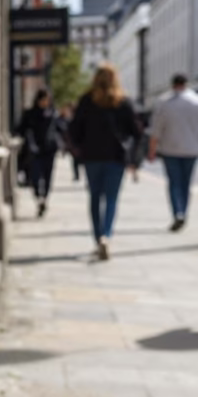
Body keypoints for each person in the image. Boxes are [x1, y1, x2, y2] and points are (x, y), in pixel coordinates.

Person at [70, 64, 143, 260]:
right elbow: (136, 132)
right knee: (111, 198)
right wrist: (134, 158)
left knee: (94, 197)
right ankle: (106, 235)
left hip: (92, 156)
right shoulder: (123, 101)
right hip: (116, 157)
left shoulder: (87, 100)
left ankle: (97, 237)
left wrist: (78, 149)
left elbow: (74, 129)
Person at [148, 73, 198, 231]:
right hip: (191, 149)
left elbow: (155, 131)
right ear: (187, 83)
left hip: (169, 149)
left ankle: (177, 212)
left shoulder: (163, 102)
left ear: (173, 85)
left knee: (174, 183)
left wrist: (152, 151)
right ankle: (183, 212)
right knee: (186, 183)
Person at [16, 89, 60, 217]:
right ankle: (38, 197)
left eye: (48, 100)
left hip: (49, 150)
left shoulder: (52, 114)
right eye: (43, 99)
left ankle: (44, 198)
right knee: (35, 176)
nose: (45, 102)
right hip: (34, 150)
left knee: (47, 176)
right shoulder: (30, 114)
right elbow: (21, 129)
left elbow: (59, 129)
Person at [58, 104, 80, 181]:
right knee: (75, 161)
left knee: (76, 161)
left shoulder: (74, 120)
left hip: (78, 145)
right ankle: (77, 175)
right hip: (75, 145)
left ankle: (77, 175)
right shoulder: (70, 121)